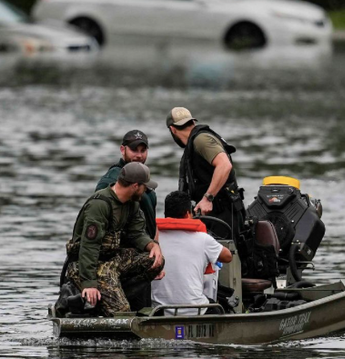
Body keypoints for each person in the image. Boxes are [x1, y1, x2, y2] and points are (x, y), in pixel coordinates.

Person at [63, 162, 164, 317]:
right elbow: (89, 247)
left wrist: (153, 245)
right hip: (87, 266)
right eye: (145, 187)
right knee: (121, 313)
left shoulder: (132, 204)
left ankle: (112, 294)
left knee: (154, 261)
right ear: (135, 186)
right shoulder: (100, 205)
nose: (146, 191)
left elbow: (137, 234)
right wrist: (89, 283)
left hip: (112, 262)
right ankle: (90, 300)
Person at [95, 130, 159, 310]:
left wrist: (155, 250)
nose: (139, 155)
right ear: (123, 150)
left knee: (143, 311)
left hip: (141, 257)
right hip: (121, 261)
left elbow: (150, 222)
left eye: (143, 150)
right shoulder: (112, 181)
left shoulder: (143, 179)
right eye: (134, 150)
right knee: (128, 312)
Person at [165, 106, 246, 241]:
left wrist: (208, 198)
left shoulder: (201, 140)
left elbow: (224, 165)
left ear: (172, 129)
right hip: (214, 214)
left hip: (224, 214)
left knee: (223, 259)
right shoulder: (193, 144)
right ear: (192, 122)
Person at [151, 191, 232, 315]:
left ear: (165, 214)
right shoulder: (203, 239)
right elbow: (228, 257)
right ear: (188, 213)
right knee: (221, 306)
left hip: (159, 311)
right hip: (196, 310)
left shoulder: (152, 240)